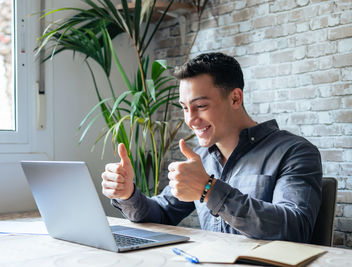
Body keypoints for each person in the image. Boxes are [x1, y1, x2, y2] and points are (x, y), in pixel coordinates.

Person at [101, 52, 322, 243]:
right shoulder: (201, 158)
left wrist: (209, 189)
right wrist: (128, 193)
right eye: (185, 108)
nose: (191, 119)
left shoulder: (294, 151)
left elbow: (295, 229)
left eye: (200, 106)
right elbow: (161, 214)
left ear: (235, 98)